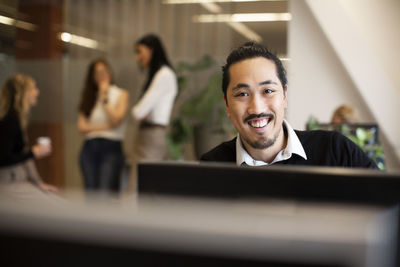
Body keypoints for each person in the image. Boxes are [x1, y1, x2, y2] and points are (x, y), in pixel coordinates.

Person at [200, 42, 378, 169]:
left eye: (268, 91)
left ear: (284, 95)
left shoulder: (336, 152)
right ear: (227, 105)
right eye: (242, 94)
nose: (257, 108)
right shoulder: (212, 167)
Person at [77, 59, 129, 193]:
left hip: (111, 148)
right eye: (97, 73)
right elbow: (82, 127)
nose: (101, 75)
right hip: (89, 148)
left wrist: (105, 97)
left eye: (104, 71)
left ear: (110, 73)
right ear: (92, 77)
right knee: (91, 193)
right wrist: (107, 127)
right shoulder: (89, 96)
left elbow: (116, 120)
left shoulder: (121, 94)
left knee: (104, 193)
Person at [0, 74, 58, 192]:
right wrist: (33, 152)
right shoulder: (10, 120)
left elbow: (24, 154)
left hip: (15, 181)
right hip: (9, 183)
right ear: (23, 93)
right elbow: (3, 158)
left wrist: (39, 183)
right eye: (33, 88)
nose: (37, 91)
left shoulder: (16, 117)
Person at [131, 34, 178, 161]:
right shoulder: (161, 74)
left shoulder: (164, 75)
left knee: (141, 179)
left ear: (151, 50)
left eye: (140, 51)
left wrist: (140, 112)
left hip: (152, 134)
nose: (137, 57)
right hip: (150, 134)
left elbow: (138, 112)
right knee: (144, 178)